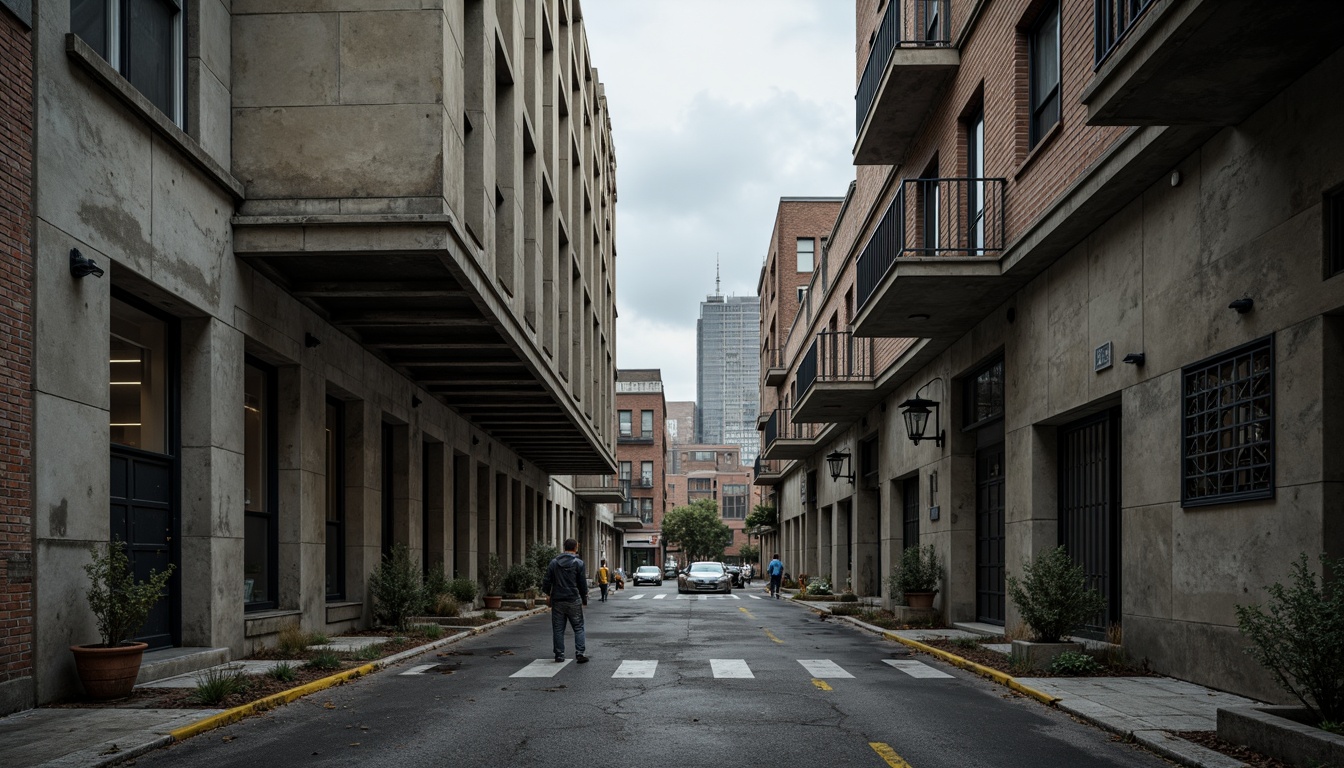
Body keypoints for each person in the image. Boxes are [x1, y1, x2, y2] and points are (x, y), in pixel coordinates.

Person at [542, 538, 589, 663]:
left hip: (558, 600)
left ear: (564, 547)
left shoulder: (554, 563)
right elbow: (582, 583)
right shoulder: (578, 563)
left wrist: (548, 594)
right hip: (573, 598)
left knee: (558, 629)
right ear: (576, 548)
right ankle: (580, 653)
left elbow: (547, 580)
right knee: (578, 627)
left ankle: (559, 655)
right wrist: (584, 598)